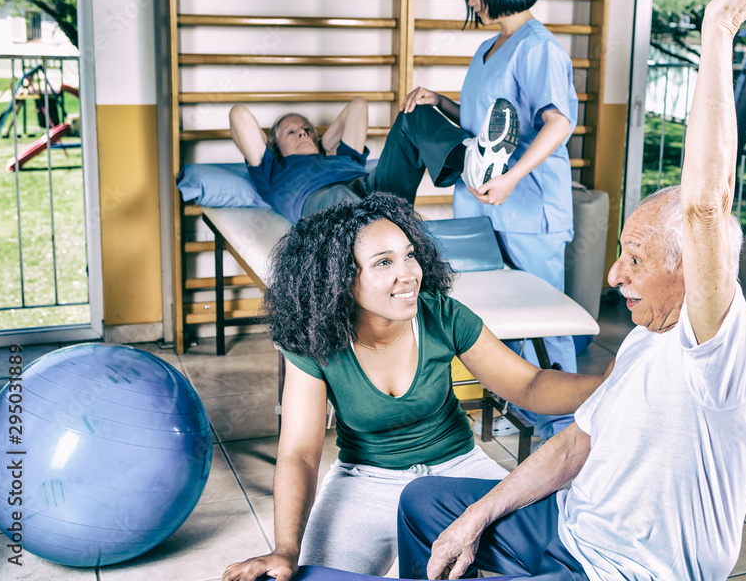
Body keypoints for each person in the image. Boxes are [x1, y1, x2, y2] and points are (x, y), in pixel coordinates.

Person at [395, 0, 746, 581]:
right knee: (424, 505)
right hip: (568, 525)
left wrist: (720, 31)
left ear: (694, 271)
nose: (613, 276)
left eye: (635, 259)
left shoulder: (720, 348)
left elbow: (706, 205)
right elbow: (576, 441)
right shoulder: (642, 343)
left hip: (622, 569)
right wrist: (478, 516)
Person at [221, 192, 612, 581]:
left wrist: (608, 383)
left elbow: (529, 384)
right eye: (384, 263)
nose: (408, 273)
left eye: (409, 255)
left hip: (459, 470)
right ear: (340, 279)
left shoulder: (441, 314)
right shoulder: (317, 342)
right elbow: (300, 453)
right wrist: (285, 548)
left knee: (567, 557)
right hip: (365, 481)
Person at [400, 0, 581, 440]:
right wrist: (438, 100)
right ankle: (523, 405)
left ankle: (564, 428)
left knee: (545, 321)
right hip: (482, 202)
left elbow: (557, 122)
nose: (471, 2)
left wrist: (511, 178)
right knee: (498, 314)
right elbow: (482, 124)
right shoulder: (486, 50)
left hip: (527, 206)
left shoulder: (540, 48)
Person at [229, 94, 518, 224]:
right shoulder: (272, 170)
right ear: (275, 146)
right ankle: (388, 234)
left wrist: (323, 143)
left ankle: (471, 165)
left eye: (307, 129)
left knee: (412, 112)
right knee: (341, 197)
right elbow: (238, 114)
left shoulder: (341, 156)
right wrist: (318, 141)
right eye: (291, 132)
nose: (303, 133)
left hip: (372, 186)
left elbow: (358, 104)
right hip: (322, 199)